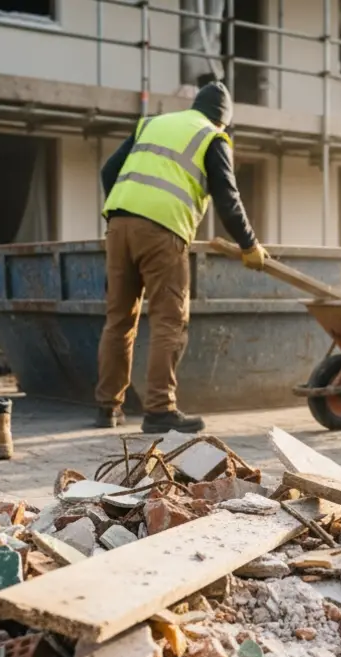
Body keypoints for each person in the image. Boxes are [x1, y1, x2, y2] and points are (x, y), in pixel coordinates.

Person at [96, 81, 268, 433]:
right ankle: (159, 409)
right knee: (168, 321)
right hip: (162, 231)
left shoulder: (153, 124)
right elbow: (227, 199)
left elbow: (108, 172)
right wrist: (250, 245)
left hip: (117, 224)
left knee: (119, 320)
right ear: (224, 120)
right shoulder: (212, 137)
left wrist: (127, 212)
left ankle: (107, 408)